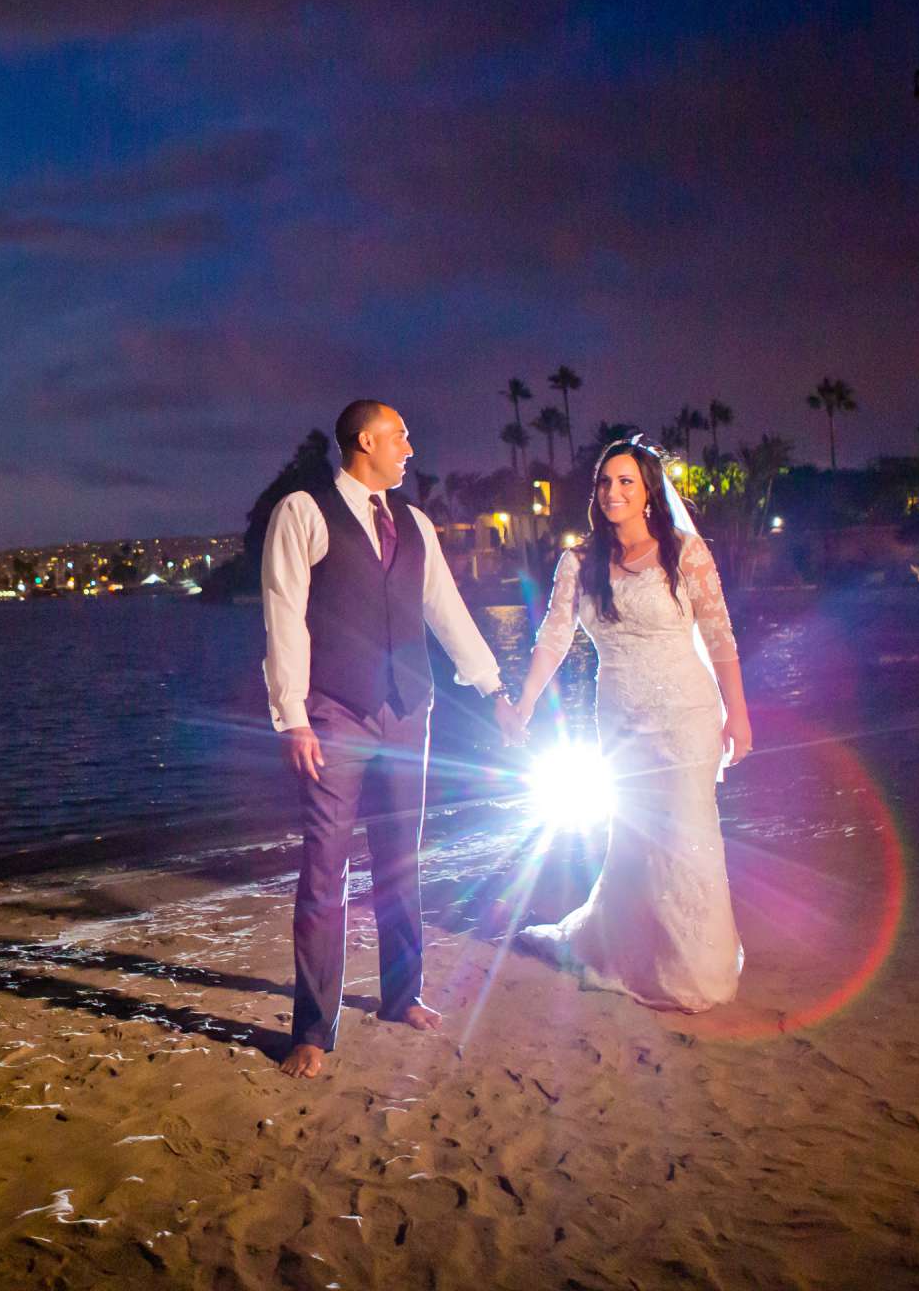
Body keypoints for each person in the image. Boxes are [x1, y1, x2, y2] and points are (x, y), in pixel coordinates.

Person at [263, 399, 525, 1080]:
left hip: (410, 710)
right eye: (401, 436)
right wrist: (290, 715)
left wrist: (493, 689)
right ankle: (313, 1030)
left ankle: (401, 995)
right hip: (335, 714)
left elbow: (445, 609)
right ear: (366, 440)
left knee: (400, 859)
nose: (410, 447)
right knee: (325, 871)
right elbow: (284, 613)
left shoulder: (413, 521)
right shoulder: (304, 511)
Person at [509, 436, 752, 1012]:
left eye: (626, 482)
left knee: (688, 837)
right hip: (618, 720)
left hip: (688, 714)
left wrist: (737, 712)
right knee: (636, 840)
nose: (613, 492)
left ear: (648, 493)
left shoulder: (684, 553)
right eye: (605, 482)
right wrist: (523, 703)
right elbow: (554, 638)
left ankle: (697, 969)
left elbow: (719, 637)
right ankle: (632, 952)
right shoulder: (579, 562)